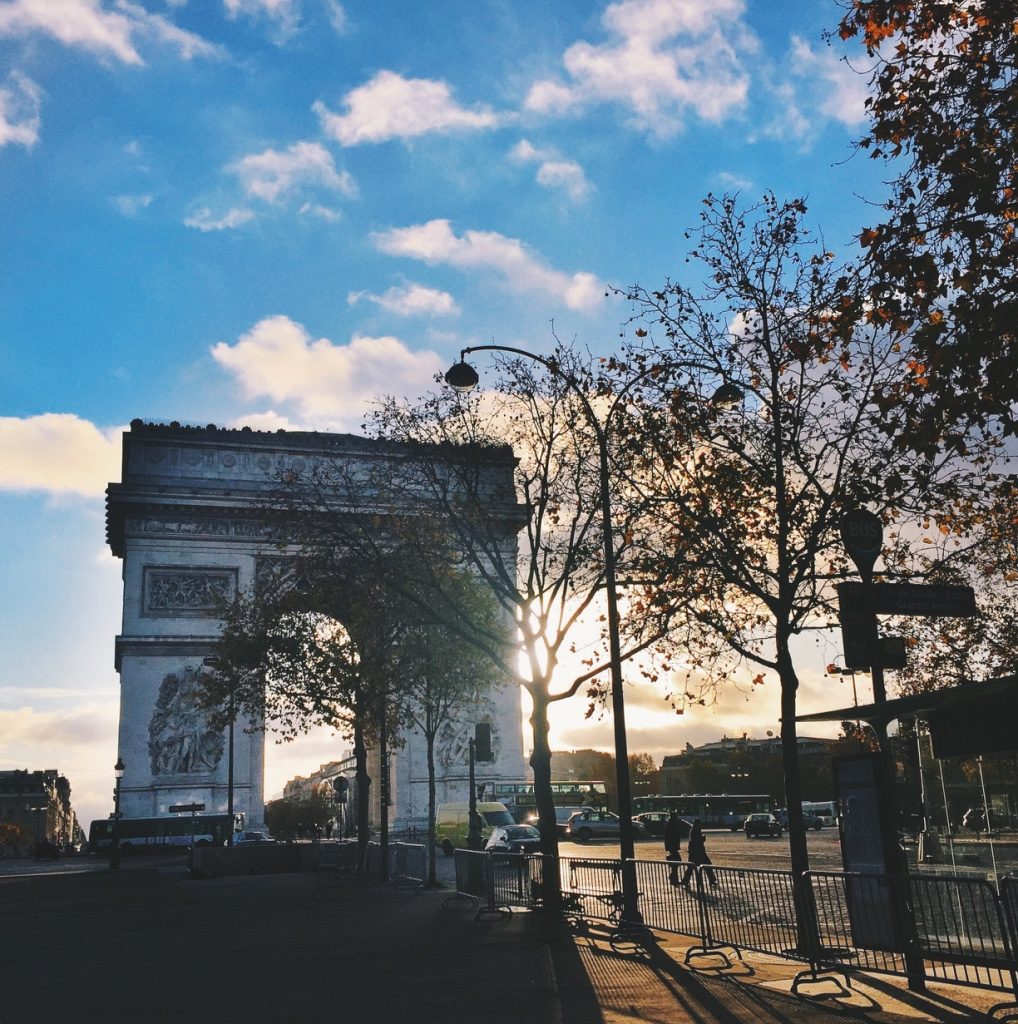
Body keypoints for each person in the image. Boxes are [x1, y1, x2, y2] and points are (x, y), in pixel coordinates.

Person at [680, 818, 718, 889]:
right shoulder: (695, 831)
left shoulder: (694, 830)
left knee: (691, 868)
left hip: (695, 852)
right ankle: (712, 880)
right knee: (707, 865)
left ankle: (685, 881)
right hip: (698, 852)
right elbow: (696, 841)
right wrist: (702, 839)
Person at [664, 811, 683, 885]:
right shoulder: (671, 824)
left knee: (675, 862)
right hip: (673, 846)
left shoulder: (670, 823)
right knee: (677, 861)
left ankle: (673, 878)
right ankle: (673, 878)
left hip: (672, 846)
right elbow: (670, 837)